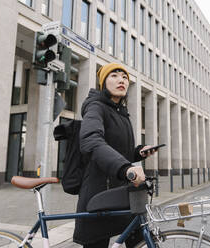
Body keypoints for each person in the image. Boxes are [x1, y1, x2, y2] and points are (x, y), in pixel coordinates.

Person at [73, 63, 155, 247]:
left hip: (122, 189)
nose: (121, 80)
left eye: (124, 77)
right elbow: (91, 141)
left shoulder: (122, 113)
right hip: (99, 191)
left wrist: (138, 152)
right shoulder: (95, 107)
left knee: (138, 236)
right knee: (97, 242)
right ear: (103, 82)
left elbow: (119, 150)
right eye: (114, 76)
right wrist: (125, 168)